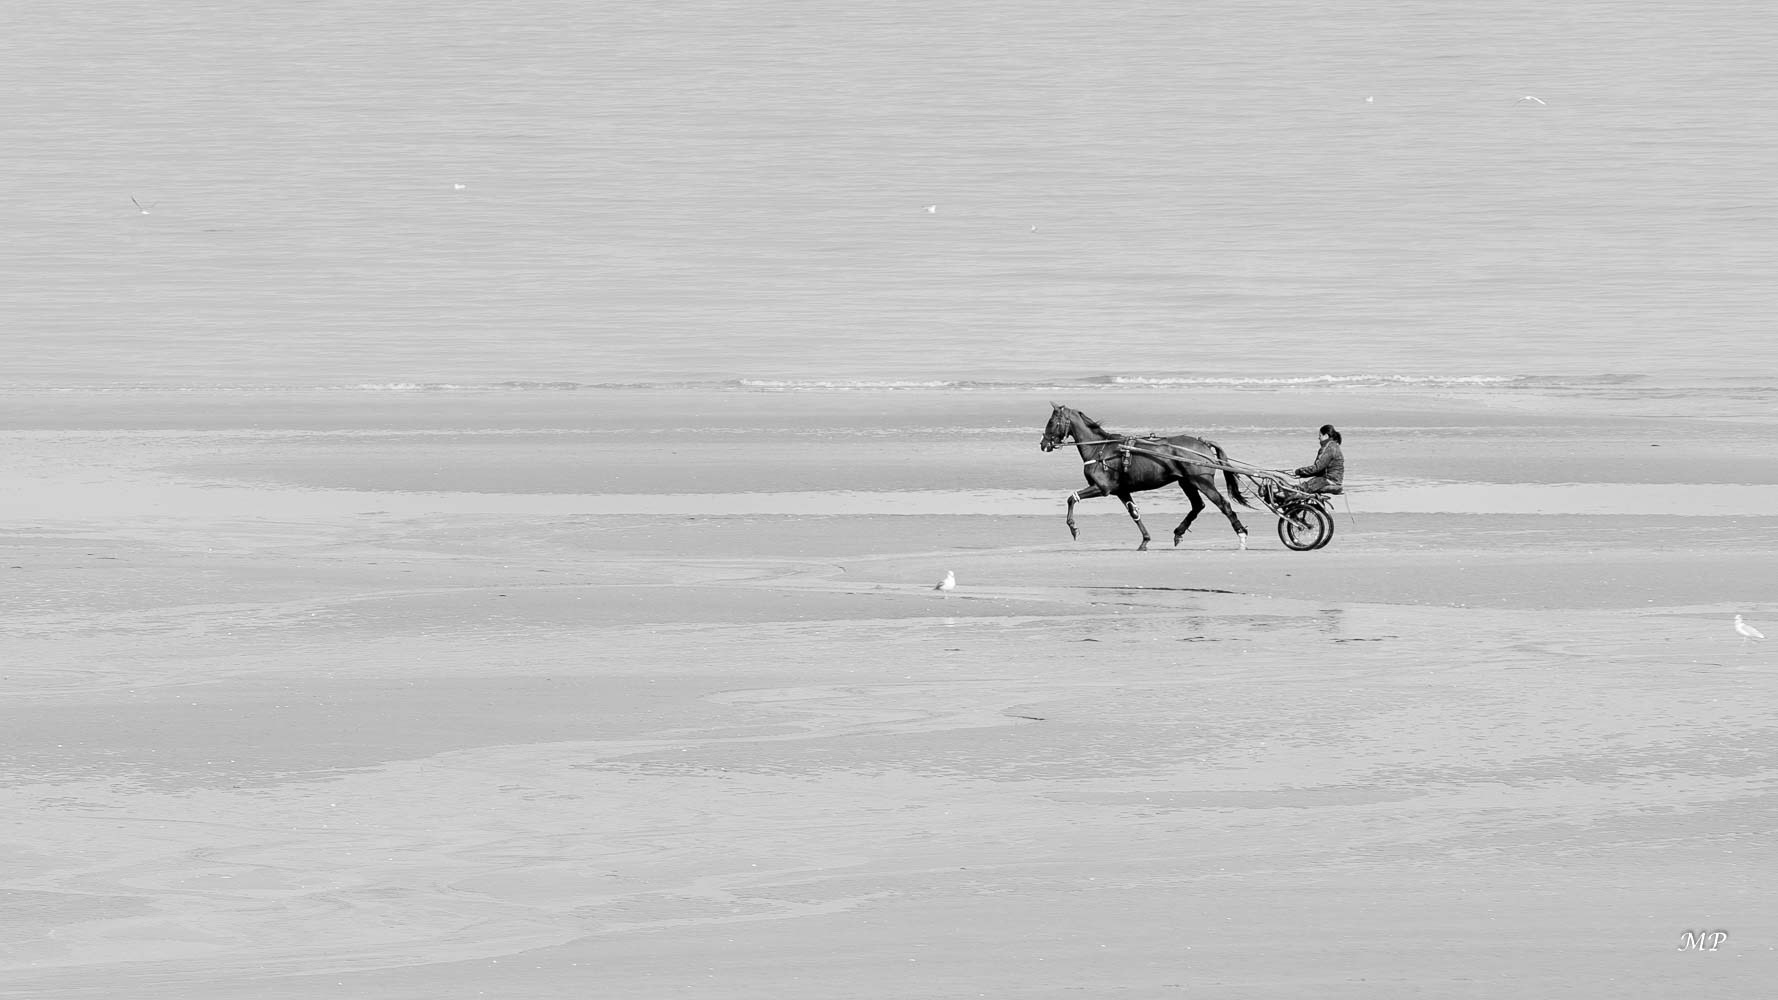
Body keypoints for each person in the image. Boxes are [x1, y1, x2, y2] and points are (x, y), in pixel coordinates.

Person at [1292, 424, 1344, 494]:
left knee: (1298, 489)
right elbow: (1319, 471)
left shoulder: (1328, 448)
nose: (1318, 438)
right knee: (1302, 488)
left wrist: (1299, 471)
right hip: (1335, 480)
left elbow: (1317, 468)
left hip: (1328, 480)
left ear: (1326, 436)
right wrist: (1302, 475)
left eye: (1320, 435)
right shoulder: (1334, 446)